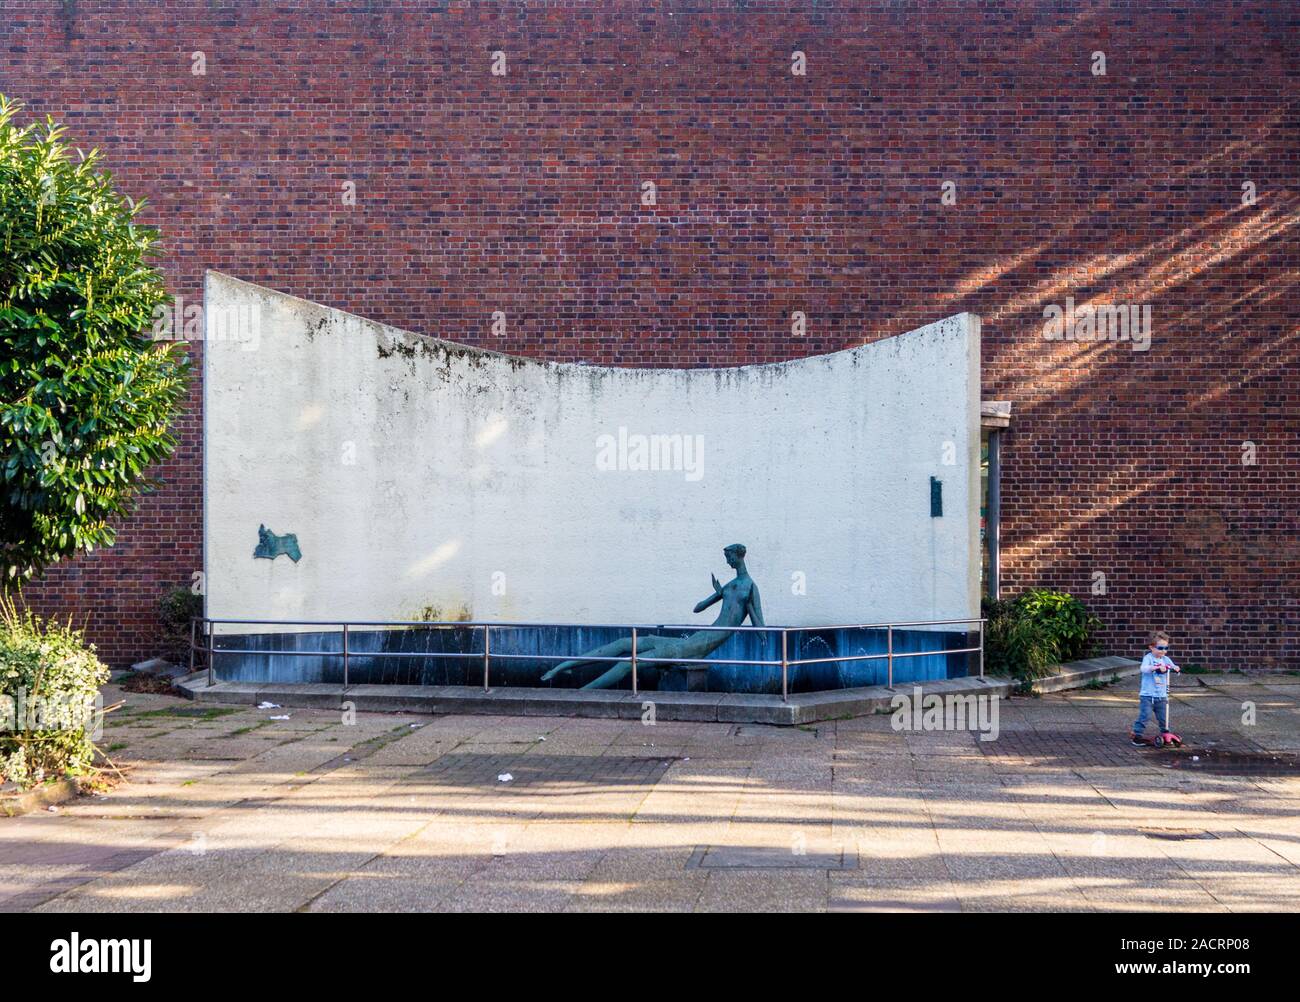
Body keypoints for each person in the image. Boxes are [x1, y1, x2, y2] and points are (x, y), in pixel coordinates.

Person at [1132, 630, 1180, 745]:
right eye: (1160, 648)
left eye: (1166, 648)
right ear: (1152, 647)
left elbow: (1172, 666)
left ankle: (1165, 732)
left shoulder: (1165, 659)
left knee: (1164, 717)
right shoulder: (1148, 658)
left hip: (1161, 695)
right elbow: (1143, 668)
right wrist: (1154, 668)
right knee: (1145, 716)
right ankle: (1137, 735)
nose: (1163, 651)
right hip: (1148, 695)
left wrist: (1176, 668)